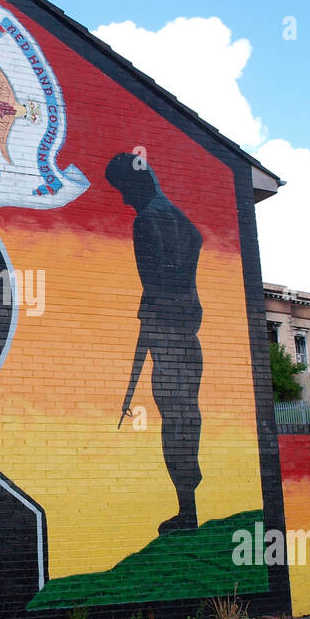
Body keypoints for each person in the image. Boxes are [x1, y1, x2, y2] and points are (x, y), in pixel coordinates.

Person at [107, 152, 204, 535]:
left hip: (167, 332)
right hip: (186, 331)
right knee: (186, 416)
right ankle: (188, 506)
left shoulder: (147, 220)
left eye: (123, 190)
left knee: (175, 420)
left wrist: (152, 320)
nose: (123, 199)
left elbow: (158, 283)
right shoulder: (180, 218)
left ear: (134, 184)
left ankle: (188, 510)